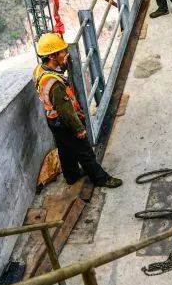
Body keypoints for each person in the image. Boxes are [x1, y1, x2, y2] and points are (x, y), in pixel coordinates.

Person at [33, 33, 122, 188]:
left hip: (53, 120)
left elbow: (54, 75)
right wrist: (79, 129)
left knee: (65, 149)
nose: (65, 54)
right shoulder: (54, 84)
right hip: (65, 122)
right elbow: (66, 112)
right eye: (61, 52)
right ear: (52, 56)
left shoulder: (40, 70)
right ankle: (102, 179)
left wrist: (64, 65)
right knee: (85, 152)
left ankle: (72, 176)